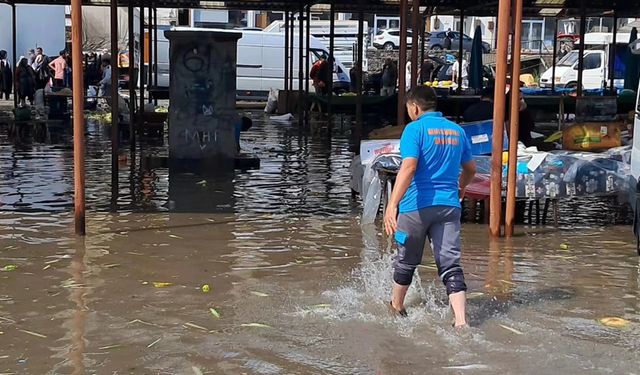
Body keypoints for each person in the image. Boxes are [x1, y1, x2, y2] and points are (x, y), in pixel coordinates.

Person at [383, 86, 476, 328]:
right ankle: (461, 321)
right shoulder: (457, 131)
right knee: (450, 263)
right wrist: (461, 188)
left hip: (416, 206)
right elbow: (470, 170)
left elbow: (409, 167)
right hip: (448, 207)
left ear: (414, 107)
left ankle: (397, 307)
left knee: (406, 259)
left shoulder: (414, 129)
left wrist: (392, 204)